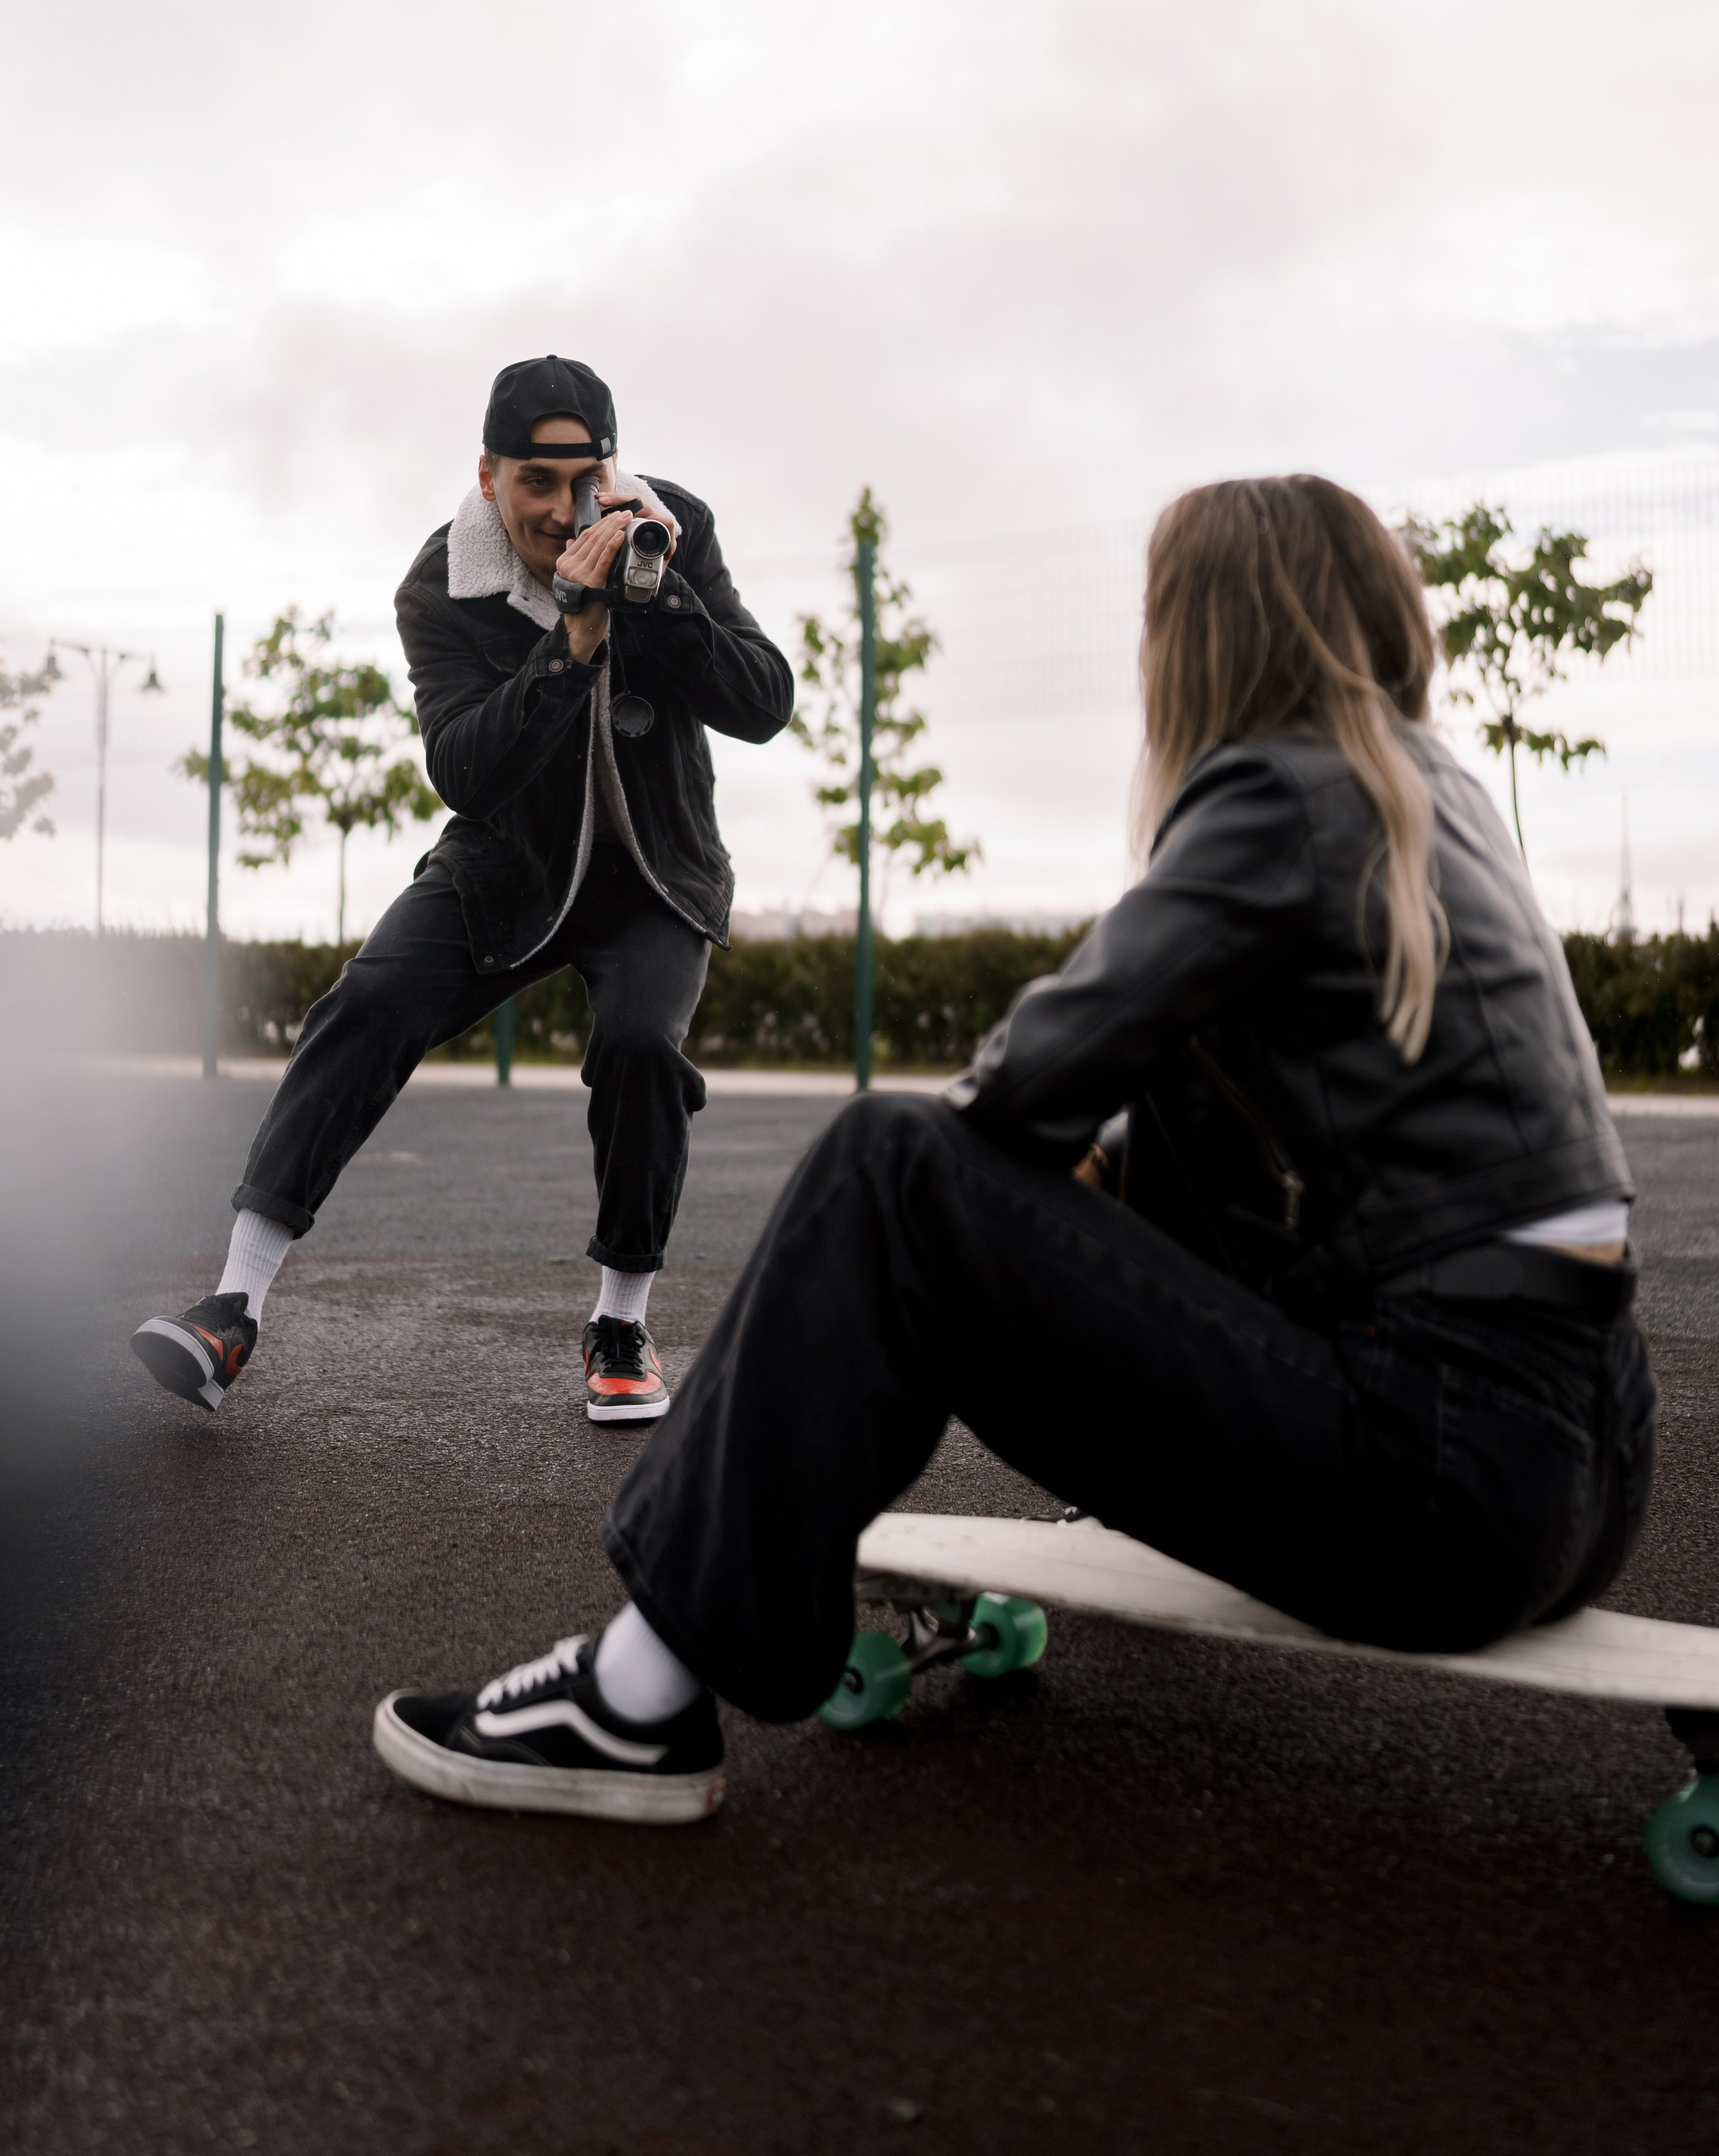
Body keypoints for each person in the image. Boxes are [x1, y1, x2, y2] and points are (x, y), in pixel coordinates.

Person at [371, 473, 1653, 1826]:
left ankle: (634, 1693)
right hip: (1580, 1467)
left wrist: (1004, 1205)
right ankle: (1076, 1514)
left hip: (1436, 1488)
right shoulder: (1424, 790)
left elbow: (1008, 1104)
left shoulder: (1280, 789)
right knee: (1095, 1135)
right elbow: (1177, 1103)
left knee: (888, 1164)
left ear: (1205, 629)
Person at [132, 355, 794, 1426]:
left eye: (586, 477)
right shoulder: (442, 583)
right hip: (509, 860)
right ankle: (232, 1307)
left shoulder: (677, 532)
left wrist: (653, 593)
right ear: (488, 476)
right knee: (368, 1003)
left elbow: (765, 701)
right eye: (537, 480)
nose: (562, 506)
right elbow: (465, 767)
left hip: (655, 869)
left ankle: (620, 1324)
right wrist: (573, 643)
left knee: (639, 1048)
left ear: (614, 471)